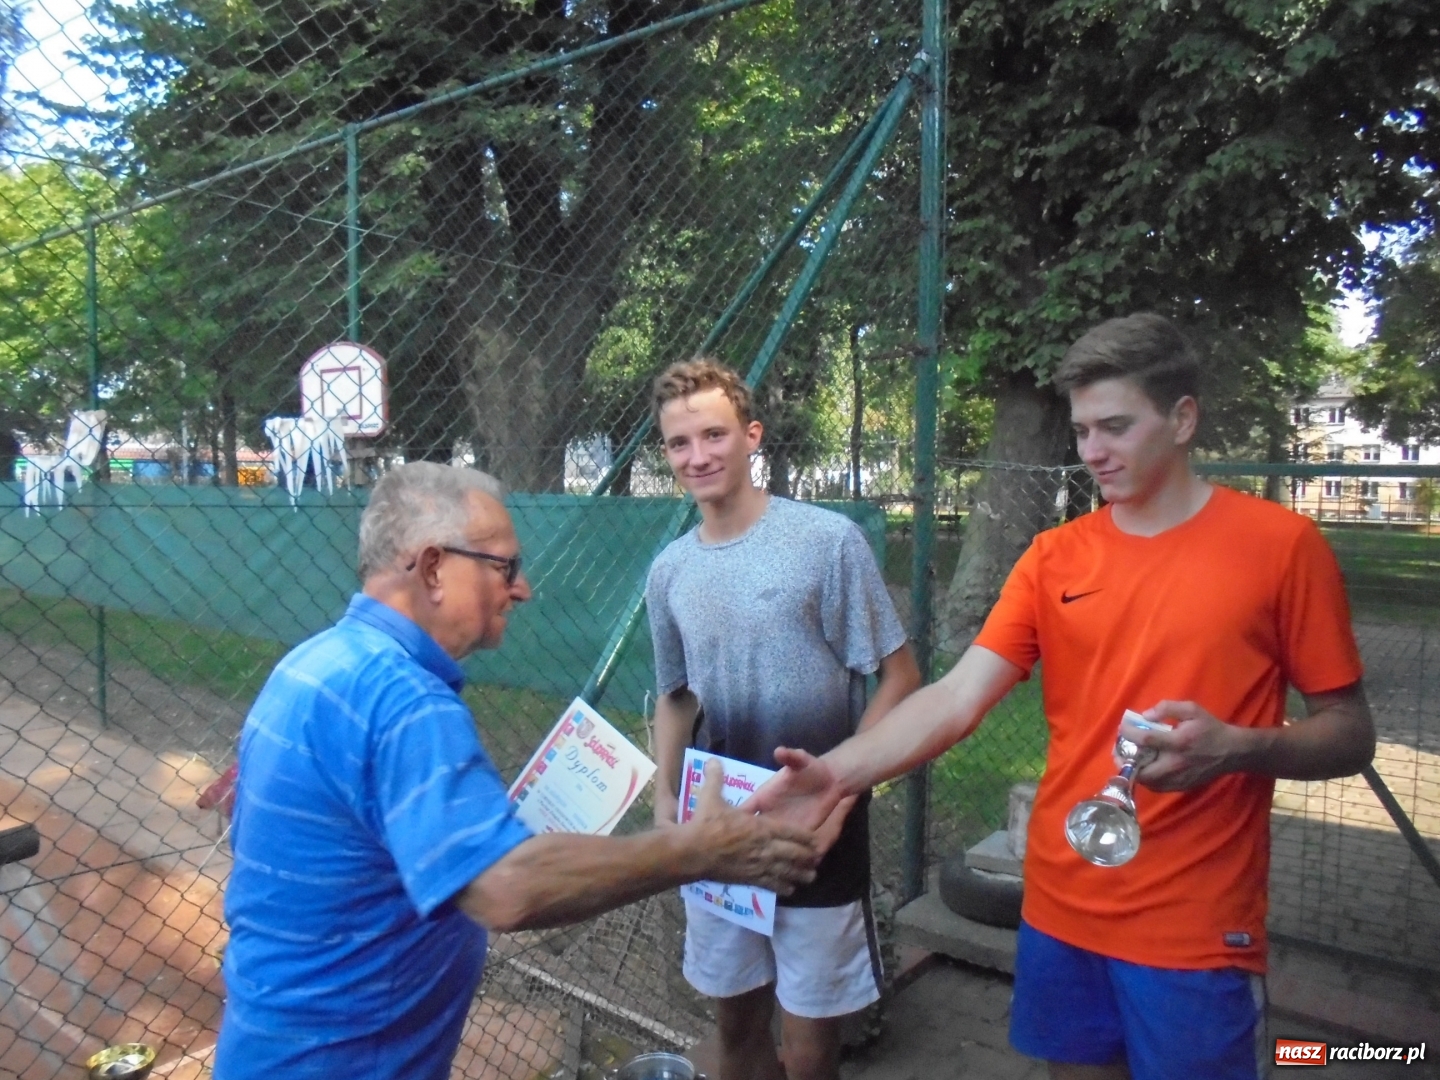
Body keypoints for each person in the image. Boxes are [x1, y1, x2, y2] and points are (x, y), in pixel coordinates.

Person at [753, 314, 1376, 1080]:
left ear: (1183, 418)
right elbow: (955, 698)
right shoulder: (1055, 557)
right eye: (1082, 430)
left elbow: (1350, 733)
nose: (1092, 453)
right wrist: (840, 772)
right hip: (1060, 910)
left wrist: (1243, 747)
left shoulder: (1280, 547)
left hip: (1194, 926)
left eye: (1114, 427)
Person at [214, 461, 831, 1080]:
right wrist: (698, 849)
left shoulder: (313, 662)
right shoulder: (404, 701)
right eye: (504, 565)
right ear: (432, 567)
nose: (523, 588)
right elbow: (506, 890)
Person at [645, 358, 921, 1080]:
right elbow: (675, 697)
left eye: (714, 434)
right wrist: (662, 798)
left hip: (815, 836)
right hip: (721, 826)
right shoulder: (669, 570)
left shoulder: (826, 542)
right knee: (735, 1025)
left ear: (751, 437)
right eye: (680, 443)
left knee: (808, 1051)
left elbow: (901, 678)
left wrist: (842, 789)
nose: (698, 456)